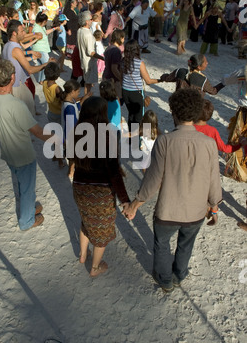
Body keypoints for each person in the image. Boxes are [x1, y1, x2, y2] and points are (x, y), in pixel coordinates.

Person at [122, 88, 222, 293]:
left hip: (168, 211)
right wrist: (214, 207)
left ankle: (164, 278)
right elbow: (214, 180)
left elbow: (152, 181)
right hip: (195, 213)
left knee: (161, 244)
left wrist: (134, 205)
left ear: (174, 113)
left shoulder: (164, 141)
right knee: (186, 244)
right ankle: (179, 274)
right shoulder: (210, 144)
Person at [0, 59, 57, 230]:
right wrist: (58, 139)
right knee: (27, 189)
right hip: (23, 155)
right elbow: (37, 132)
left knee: (24, 184)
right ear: (12, 77)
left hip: (8, 152)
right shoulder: (16, 105)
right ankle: (27, 221)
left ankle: (29, 209)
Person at [73, 96, 130, 277]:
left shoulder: (76, 132)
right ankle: (95, 267)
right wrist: (125, 200)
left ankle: (83, 255)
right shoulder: (108, 137)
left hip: (80, 187)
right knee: (101, 231)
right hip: (100, 192)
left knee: (86, 221)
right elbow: (114, 174)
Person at [2, 20, 49, 115]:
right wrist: (46, 64)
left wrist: (31, 54)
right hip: (18, 86)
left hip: (12, 84)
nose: (24, 33)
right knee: (26, 114)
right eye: (22, 31)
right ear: (14, 33)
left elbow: (17, 57)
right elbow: (30, 69)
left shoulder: (7, 45)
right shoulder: (15, 48)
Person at [122, 39, 160, 133]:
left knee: (131, 115)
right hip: (136, 93)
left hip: (125, 91)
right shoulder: (139, 63)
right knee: (139, 118)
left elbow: (120, 76)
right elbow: (148, 81)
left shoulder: (123, 61)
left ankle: (132, 141)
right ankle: (138, 142)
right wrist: (161, 80)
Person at [61, 79, 92, 179]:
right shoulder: (69, 108)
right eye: (78, 91)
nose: (79, 93)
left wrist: (85, 98)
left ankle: (70, 170)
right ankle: (71, 171)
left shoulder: (69, 101)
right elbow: (71, 125)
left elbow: (77, 107)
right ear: (73, 91)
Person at [77, 11, 104, 95]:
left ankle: (87, 97)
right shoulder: (87, 33)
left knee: (87, 82)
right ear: (86, 21)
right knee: (88, 83)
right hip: (89, 62)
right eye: (90, 19)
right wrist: (102, 58)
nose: (92, 21)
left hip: (83, 59)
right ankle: (87, 98)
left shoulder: (79, 30)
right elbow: (90, 52)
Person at [31, 12, 59, 84]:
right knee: (46, 64)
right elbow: (34, 36)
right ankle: (43, 80)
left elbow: (45, 32)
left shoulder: (41, 27)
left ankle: (41, 80)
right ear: (44, 21)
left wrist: (54, 28)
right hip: (40, 49)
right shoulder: (36, 28)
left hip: (42, 48)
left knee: (42, 65)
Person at [102, 29, 125, 100]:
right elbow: (114, 68)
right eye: (123, 38)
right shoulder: (116, 51)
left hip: (106, 76)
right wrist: (121, 79)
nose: (124, 40)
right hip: (113, 80)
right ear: (120, 38)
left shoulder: (108, 48)